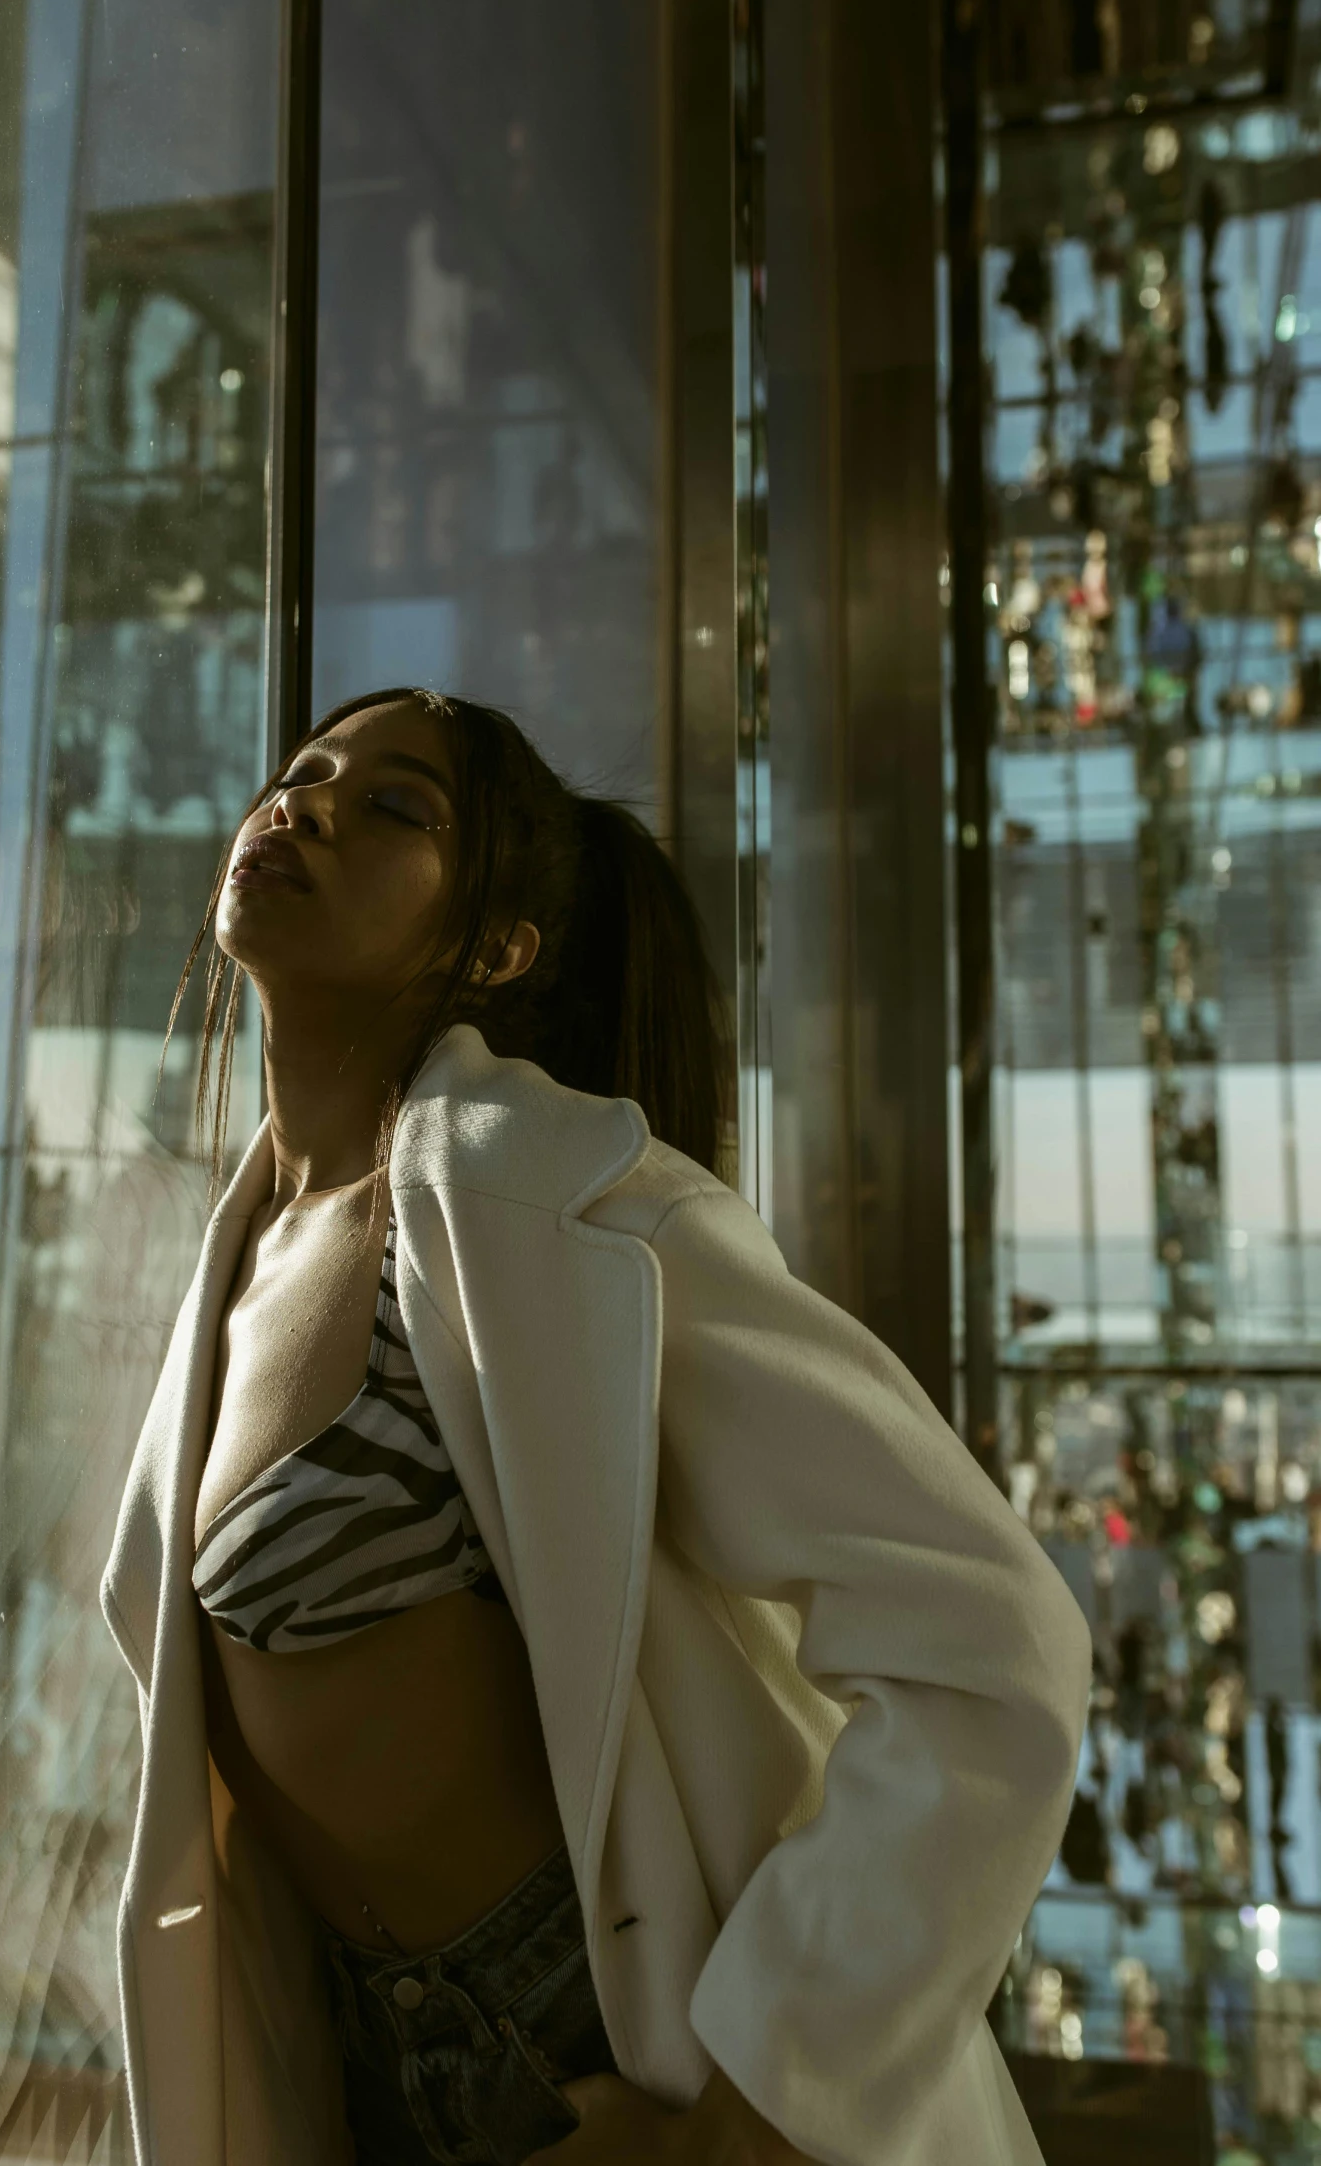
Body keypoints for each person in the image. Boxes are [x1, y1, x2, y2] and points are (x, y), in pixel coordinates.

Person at [102, 688, 1091, 2166]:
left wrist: (748, 2122)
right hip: (379, 2082)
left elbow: (994, 1642)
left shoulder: (559, 1215)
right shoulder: (237, 1254)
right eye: (303, 772)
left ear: (494, 949)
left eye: (393, 807)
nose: (300, 804)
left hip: (626, 2057)